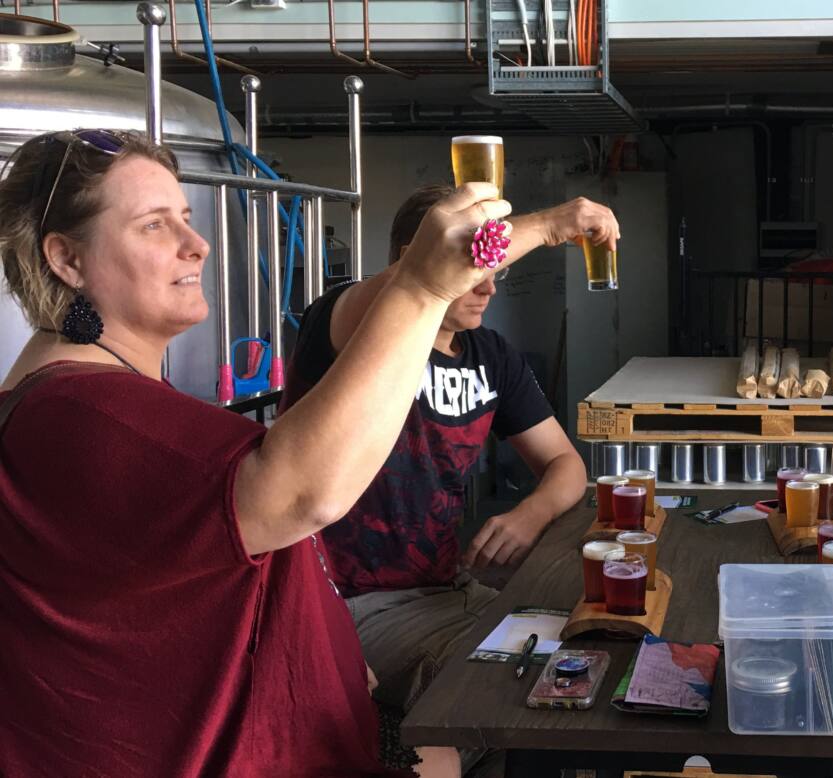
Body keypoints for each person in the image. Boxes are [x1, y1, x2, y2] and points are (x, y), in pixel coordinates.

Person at [0, 129, 523, 775]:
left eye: (188, 219)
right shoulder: (81, 414)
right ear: (67, 259)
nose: (198, 245)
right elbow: (306, 493)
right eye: (154, 225)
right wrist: (421, 290)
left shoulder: (94, 401)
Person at [280, 183, 618, 777]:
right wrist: (556, 222)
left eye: (494, 271)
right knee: (493, 682)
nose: (489, 286)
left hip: (448, 587)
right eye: (478, 268)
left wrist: (529, 513)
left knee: (581, 653)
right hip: (350, 604)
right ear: (417, 260)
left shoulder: (489, 355)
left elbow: (567, 466)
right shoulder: (349, 330)